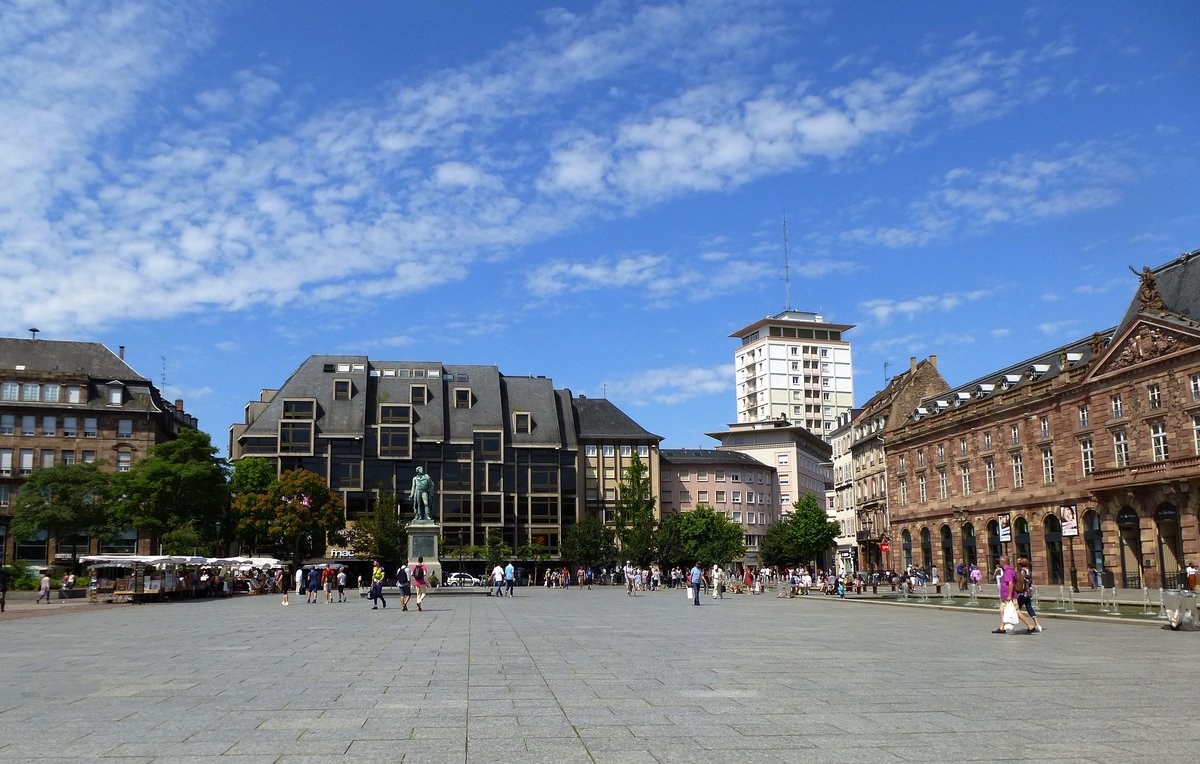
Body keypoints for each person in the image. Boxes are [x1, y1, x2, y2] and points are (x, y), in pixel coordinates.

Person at [1015, 556, 1043, 634]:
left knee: (1016, 609)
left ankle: (1009, 625)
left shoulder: (1022, 571)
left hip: (1023, 592)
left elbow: (1020, 581)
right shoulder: (1029, 570)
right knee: (1029, 607)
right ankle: (1037, 624)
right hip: (1029, 591)